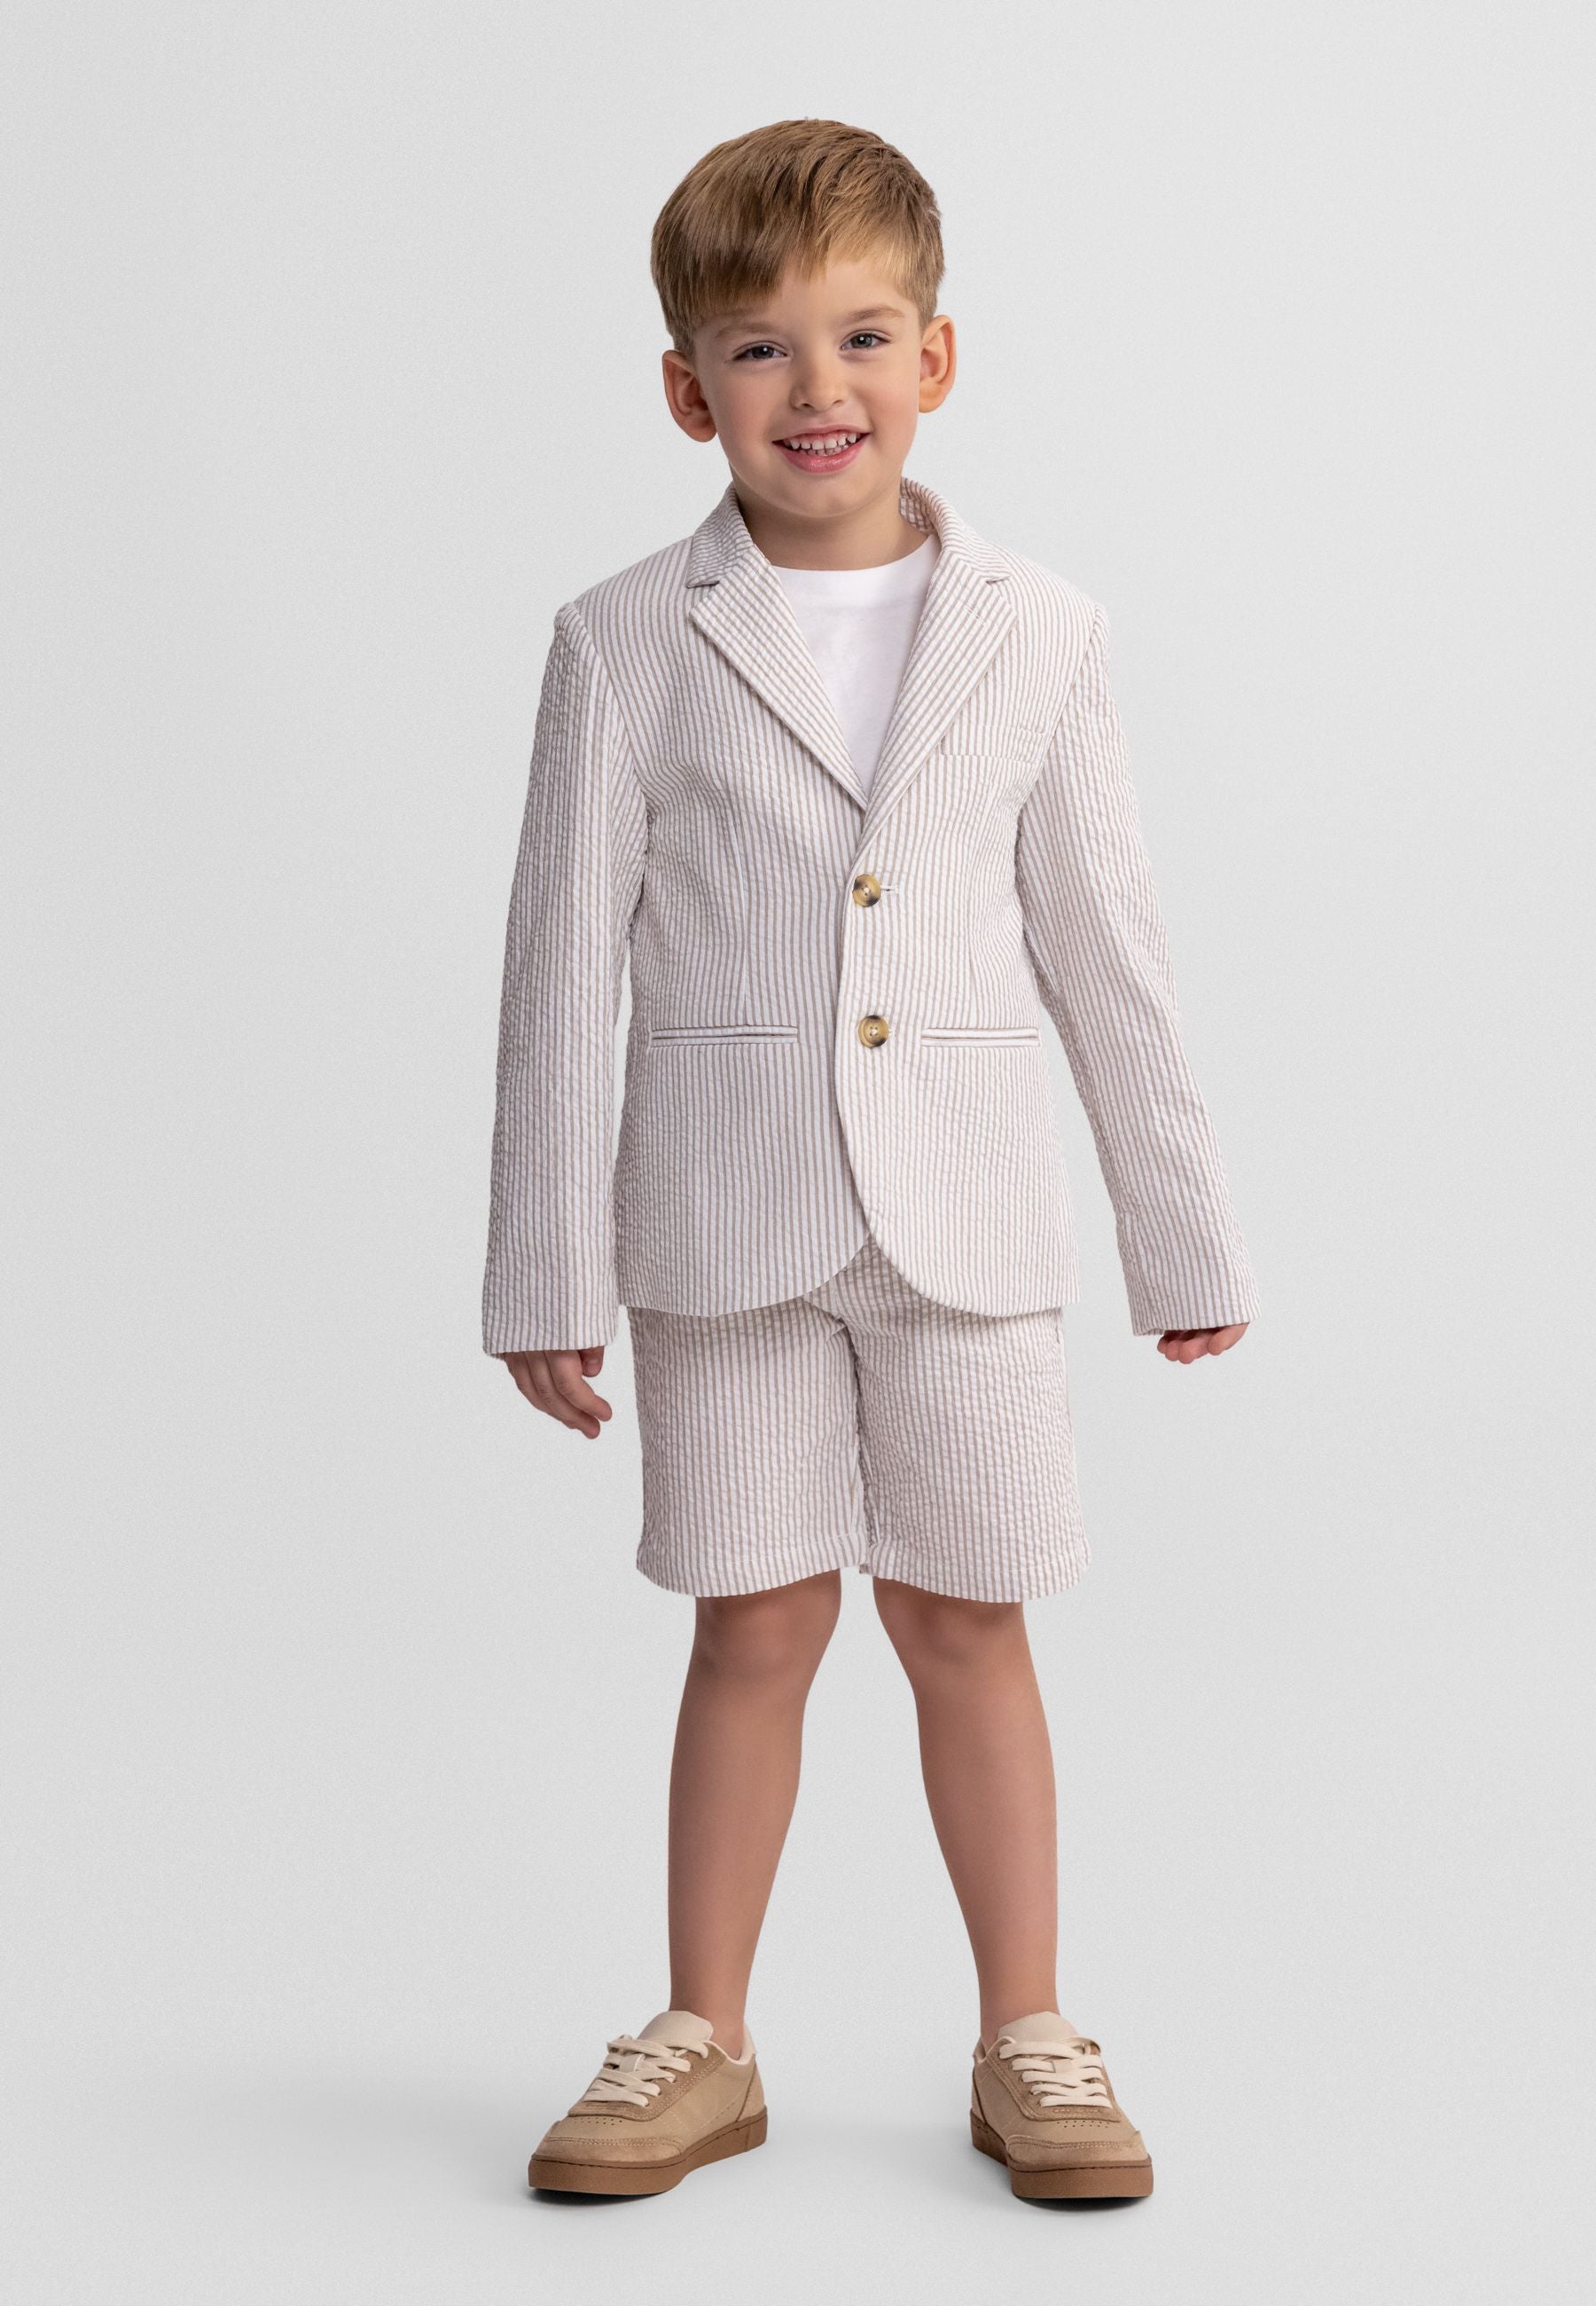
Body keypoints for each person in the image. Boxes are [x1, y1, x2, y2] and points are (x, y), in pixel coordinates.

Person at [482, 117, 1259, 2201]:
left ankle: (1032, 2036)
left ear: (937, 357)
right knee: (750, 1624)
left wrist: (1180, 1234)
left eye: (858, 336)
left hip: (969, 1227)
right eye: (758, 348)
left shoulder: (1041, 629)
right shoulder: (623, 637)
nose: (813, 386)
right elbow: (559, 972)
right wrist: (543, 1270)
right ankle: (703, 2039)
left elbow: (1107, 946)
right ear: (687, 390)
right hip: (723, 1224)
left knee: (966, 1621)